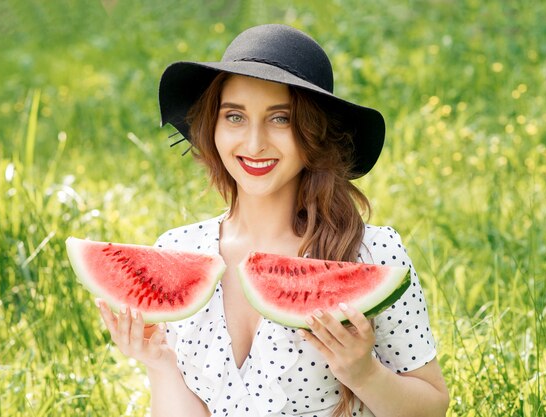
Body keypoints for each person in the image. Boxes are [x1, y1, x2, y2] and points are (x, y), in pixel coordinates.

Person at [95, 24, 449, 417]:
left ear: (313, 132)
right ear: (212, 127)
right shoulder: (178, 250)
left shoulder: (373, 253)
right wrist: (159, 362)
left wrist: (365, 375)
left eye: (280, 119)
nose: (254, 143)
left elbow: (432, 407)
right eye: (235, 117)